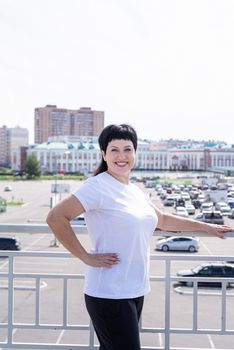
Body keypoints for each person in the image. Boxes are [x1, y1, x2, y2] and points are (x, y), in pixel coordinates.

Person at [46, 124, 232, 350]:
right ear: (104, 154)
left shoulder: (134, 190)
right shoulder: (96, 187)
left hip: (134, 290)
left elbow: (162, 220)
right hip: (109, 292)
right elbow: (56, 217)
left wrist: (205, 226)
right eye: (114, 150)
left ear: (135, 153)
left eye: (127, 149)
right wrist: (85, 256)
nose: (121, 156)